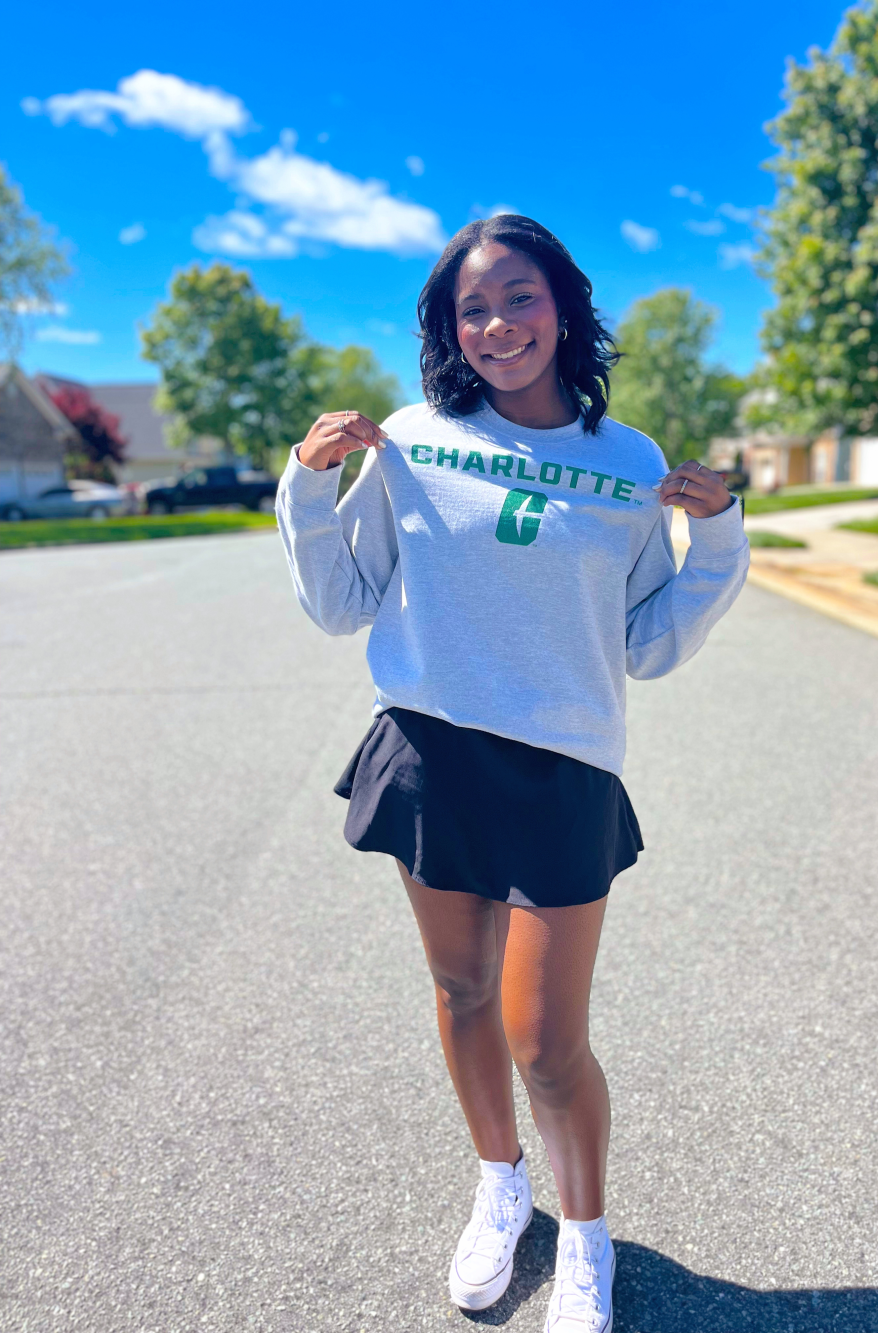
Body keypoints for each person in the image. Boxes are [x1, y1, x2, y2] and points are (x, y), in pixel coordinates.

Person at [276, 215, 749, 1331]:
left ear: (563, 307)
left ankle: (586, 1239)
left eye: (519, 296)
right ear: (448, 329)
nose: (497, 324)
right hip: (430, 752)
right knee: (462, 993)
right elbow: (343, 601)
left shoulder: (628, 462)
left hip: (563, 768)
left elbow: (646, 641)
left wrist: (719, 536)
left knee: (546, 1038)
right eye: (471, 308)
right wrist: (306, 485)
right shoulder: (410, 439)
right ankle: (501, 1187)